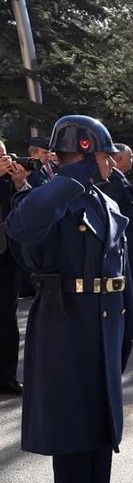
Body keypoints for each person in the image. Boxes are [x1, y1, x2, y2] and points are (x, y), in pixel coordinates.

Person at [5, 115, 133, 483]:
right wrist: (69, 177)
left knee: (100, 417)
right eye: (105, 154)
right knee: (72, 427)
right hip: (64, 323)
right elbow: (21, 229)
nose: (112, 162)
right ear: (87, 152)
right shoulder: (51, 198)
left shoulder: (102, 200)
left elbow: (119, 264)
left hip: (106, 320)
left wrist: (128, 324)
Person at [98, 143, 133, 331]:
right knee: (126, 281)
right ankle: (125, 320)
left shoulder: (119, 178)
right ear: (119, 159)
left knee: (130, 281)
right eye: (130, 156)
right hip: (123, 238)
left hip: (130, 237)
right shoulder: (113, 180)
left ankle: (128, 318)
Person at [0, 140, 25, 394]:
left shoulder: (10, 179)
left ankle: (7, 375)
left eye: (5, 154)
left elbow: (28, 207)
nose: (5, 160)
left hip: (7, 255)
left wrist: (19, 183)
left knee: (7, 319)